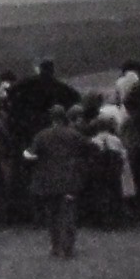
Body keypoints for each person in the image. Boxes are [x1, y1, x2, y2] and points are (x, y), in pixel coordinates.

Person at [23, 105, 94, 259]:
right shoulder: (74, 134)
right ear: (65, 118)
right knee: (68, 213)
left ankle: (56, 246)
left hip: (48, 181)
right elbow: (89, 147)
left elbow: (30, 154)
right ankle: (68, 248)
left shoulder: (42, 135)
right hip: (69, 179)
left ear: (51, 118)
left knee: (52, 215)